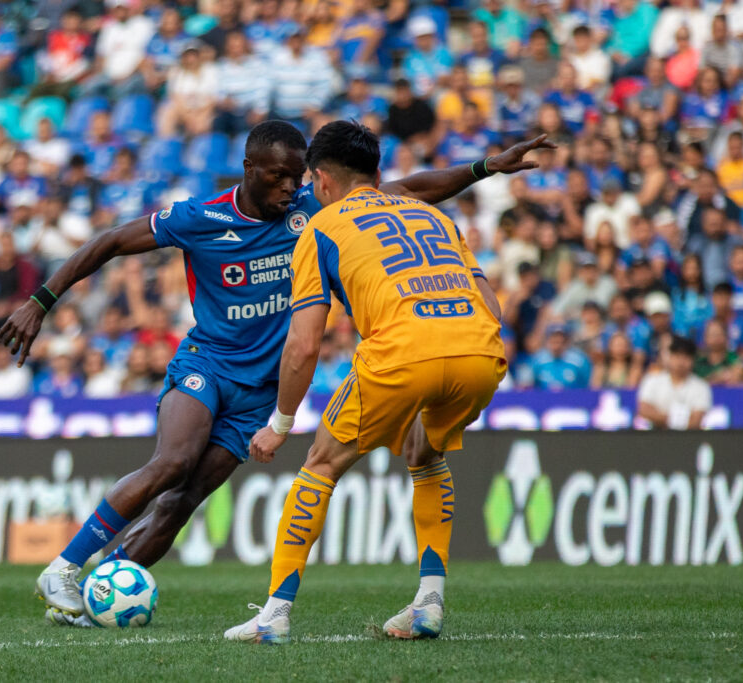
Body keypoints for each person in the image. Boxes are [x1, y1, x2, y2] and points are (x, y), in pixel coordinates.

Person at [0, 120, 553, 623]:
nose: (290, 188)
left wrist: (484, 168)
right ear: (249, 170)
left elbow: (413, 190)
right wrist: (40, 301)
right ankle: (64, 568)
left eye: (297, 177)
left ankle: (96, 597)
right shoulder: (202, 217)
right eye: (278, 177)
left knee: (182, 503)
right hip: (207, 365)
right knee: (173, 461)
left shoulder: (317, 209)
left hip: (258, 390)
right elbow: (111, 242)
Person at [225, 120, 547, 645]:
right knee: (426, 454)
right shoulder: (432, 215)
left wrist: (280, 424)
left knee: (321, 465)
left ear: (321, 181)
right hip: (479, 353)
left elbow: (305, 345)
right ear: (376, 173)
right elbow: (489, 303)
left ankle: (274, 614)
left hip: (401, 354)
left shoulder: (320, 229)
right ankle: (429, 601)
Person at [636, 336, 712, 430]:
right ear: (670, 357)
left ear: (693, 360)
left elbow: (696, 421)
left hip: (688, 439)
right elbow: (644, 411)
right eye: (677, 356)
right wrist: (677, 420)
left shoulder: (701, 387)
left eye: (686, 357)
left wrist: (661, 417)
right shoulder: (652, 380)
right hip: (655, 436)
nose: (681, 362)